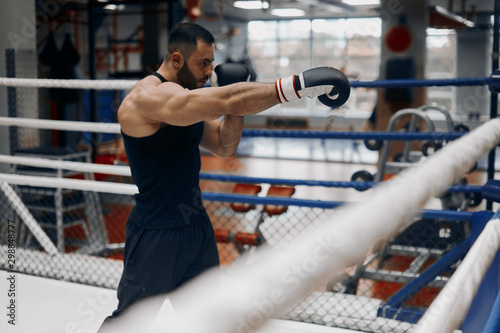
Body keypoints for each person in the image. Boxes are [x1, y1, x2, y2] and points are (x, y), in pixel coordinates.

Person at [99, 22, 348, 331]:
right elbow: (222, 100)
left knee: (210, 319)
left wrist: (237, 108)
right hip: (156, 232)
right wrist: (296, 85)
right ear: (177, 59)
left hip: (196, 228)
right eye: (203, 63)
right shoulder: (148, 98)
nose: (209, 71)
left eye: (212, 63)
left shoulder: (185, 98)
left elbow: (224, 146)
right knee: (130, 322)